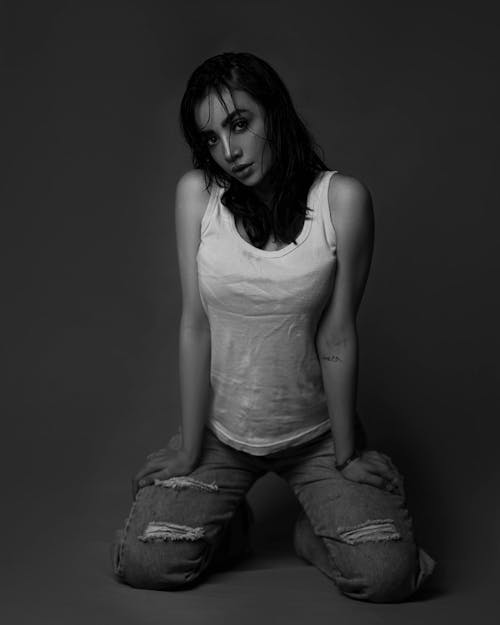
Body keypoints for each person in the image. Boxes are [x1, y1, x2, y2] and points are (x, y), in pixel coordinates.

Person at [111, 51, 436, 602]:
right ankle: (227, 526)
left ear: (274, 112)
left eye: (239, 123)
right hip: (223, 434)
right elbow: (195, 325)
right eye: (211, 138)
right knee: (147, 563)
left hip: (315, 435)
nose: (229, 151)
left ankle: (314, 536)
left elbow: (337, 334)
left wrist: (348, 451)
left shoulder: (342, 201)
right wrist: (190, 447)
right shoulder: (198, 196)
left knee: (386, 575)